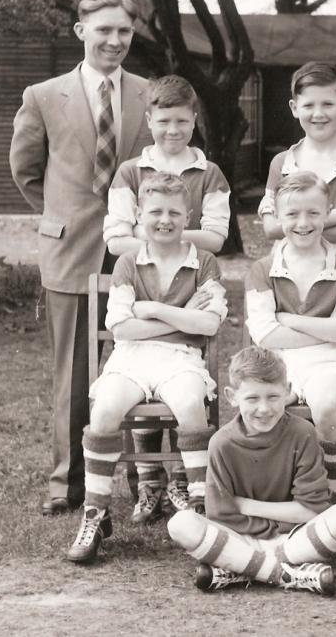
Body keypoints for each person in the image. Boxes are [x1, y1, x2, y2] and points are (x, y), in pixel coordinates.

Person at [10, 0, 153, 517]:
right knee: (73, 375)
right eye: (104, 30)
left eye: (123, 31)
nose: (114, 41)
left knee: (143, 362)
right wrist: (60, 216)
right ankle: (65, 484)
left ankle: (148, 482)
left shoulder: (149, 93)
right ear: (81, 32)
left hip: (136, 251)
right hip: (70, 251)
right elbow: (26, 169)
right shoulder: (44, 95)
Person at [65, 173, 227, 564]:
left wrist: (153, 309)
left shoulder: (203, 261)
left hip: (180, 359)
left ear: (188, 215)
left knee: (190, 405)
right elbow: (120, 325)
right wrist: (181, 316)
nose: (165, 219)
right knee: (103, 409)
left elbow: (209, 324)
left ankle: (201, 509)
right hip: (131, 356)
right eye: (155, 211)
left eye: (174, 212)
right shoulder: (127, 263)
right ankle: (95, 513)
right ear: (139, 214)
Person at [103, 74, 231, 523]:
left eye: (181, 120)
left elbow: (215, 238)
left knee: (180, 385)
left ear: (194, 119)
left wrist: (166, 233)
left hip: (187, 278)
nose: (173, 130)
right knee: (135, 380)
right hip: (142, 278)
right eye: (164, 121)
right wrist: (166, 235)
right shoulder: (129, 172)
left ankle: (180, 483)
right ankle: (149, 485)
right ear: (150, 120)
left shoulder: (209, 172)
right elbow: (117, 240)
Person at [167, 346, 336, 595]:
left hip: (290, 538)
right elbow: (222, 517)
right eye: (252, 398)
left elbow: (312, 510)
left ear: (288, 391)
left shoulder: (302, 434)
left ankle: (240, 568)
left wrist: (246, 505)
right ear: (231, 396)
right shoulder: (221, 443)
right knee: (181, 524)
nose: (264, 408)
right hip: (240, 538)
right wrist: (277, 517)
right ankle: (285, 574)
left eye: (273, 397)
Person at [245, 172, 336, 501]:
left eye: (313, 213)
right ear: (279, 217)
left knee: (328, 406)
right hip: (277, 363)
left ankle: (327, 499)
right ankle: (272, 495)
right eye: (292, 214)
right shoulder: (263, 268)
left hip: (330, 361)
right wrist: (327, 330)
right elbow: (264, 333)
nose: (303, 223)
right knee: (259, 408)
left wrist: (292, 320)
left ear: (327, 212)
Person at [258, 61, 336, 278]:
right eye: (308, 106)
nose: (318, 114)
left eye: (327, 104)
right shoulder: (282, 163)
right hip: (291, 275)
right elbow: (270, 228)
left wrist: (296, 227)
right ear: (294, 108)